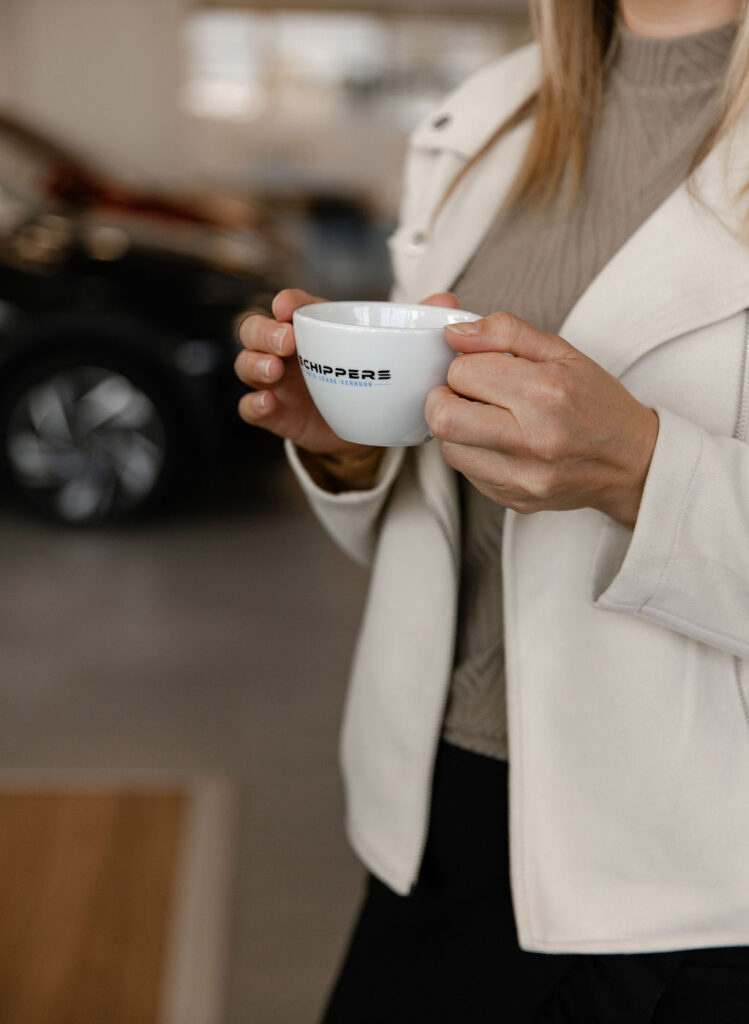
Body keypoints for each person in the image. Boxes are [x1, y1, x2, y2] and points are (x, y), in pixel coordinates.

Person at [234, 0, 749, 1020]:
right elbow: (436, 518)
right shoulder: (487, 117)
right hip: (440, 814)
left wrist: (642, 468)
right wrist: (346, 441)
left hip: (689, 877)